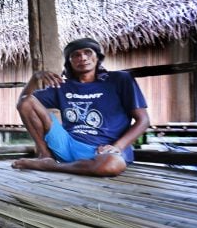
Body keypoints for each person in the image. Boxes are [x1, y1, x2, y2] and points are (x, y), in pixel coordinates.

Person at [12, 37, 149, 176]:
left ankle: (49, 166)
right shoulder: (62, 87)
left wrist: (117, 147)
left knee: (111, 165)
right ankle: (45, 156)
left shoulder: (120, 79)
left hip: (103, 151)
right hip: (67, 145)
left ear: (97, 57)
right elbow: (23, 104)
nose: (82, 57)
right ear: (69, 62)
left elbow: (143, 121)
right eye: (75, 55)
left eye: (88, 52)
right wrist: (35, 78)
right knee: (27, 101)